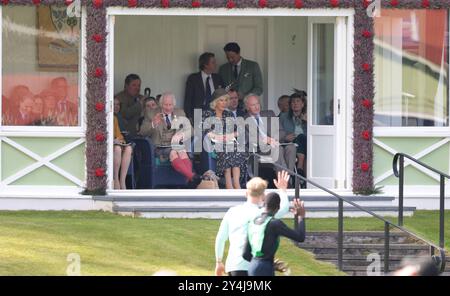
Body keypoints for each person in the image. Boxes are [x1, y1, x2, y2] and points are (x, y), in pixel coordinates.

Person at [215, 171, 291, 276]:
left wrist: (219, 262)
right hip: (255, 266)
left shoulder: (232, 211)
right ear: (263, 196)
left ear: (246, 193)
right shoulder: (263, 215)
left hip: (234, 266)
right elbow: (284, 208)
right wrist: (282, 190)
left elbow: (221, 238)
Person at [139, 92, 201, 188]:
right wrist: (153, 124)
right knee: (174, 152)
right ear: (160, 104)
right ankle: (191, 176)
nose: (168, 108)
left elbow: (191, 130)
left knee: (182, 151)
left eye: (170, 105)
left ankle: (190, 179)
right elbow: (142, 132)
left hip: (176, 145)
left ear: (174, 104)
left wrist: (182, 134)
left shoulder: (180, 112)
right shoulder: (151, 113)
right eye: (165, 105)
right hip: (158, 147)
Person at [243, 192, 306, 276]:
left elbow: (245, 254)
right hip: (265, 269)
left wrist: (263, 262)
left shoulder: (252, 222)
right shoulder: (275, 224)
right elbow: (300, 237)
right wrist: (301, 216)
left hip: (252, 267)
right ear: (278, 207)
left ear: (264, 204)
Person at [202, 88, 247, 189]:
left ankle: (236, 183)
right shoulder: (207, 114)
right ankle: (229, 184)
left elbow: (237, 131)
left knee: (236, 148)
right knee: (227, 148)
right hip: (213, 143)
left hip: (229, 142)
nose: (224, 103)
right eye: (221, 100)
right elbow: (206, 132)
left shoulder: (229, 114)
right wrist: (219, 137)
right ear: (215, 102)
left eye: (226, 100)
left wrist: (230, 136)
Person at [244, 94, 297, 178]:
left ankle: (288, 177)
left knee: (291, 147)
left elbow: (282, 132)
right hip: (260, 151)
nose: (256, 107)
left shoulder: (269, 113)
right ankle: (285, 182)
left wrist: (273, 139)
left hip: (277, 144)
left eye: (257, 104)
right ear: (247, 107)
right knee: (277, 149)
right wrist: (267, 140)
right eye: (253, 105)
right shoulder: (244, 120)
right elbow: (250, 139)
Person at [184, 52, 225, 121]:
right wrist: (189, 117)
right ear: (206, 65)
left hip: (216, 113)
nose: (216, 64)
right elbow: (188, 99)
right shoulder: (193, 78)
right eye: (213, 62)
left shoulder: (218, 78)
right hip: (198, 114)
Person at [279, 92, 307, 181]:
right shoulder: (283, 116)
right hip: (291, 142)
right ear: (290, 105)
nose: (295, 104)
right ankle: (298, 172)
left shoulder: (309, 116)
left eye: (298, 101)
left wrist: (307, 122)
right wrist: (285, 138)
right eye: (293, 102)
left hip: (306, 142)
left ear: (302, 104)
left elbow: (314, 133)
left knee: (302, 137)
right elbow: (276, 132)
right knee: (300, 138)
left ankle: (299, 167)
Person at [115, 74, 144, 138]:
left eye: (139, 85)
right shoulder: (119, 98)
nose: (137, 88)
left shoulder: (141, 98)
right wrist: (139, 104)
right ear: (126, 86)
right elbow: (124, 114)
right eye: (134, 85)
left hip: (141, 135)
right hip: (126, 136)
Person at [113, 98, 133, 190]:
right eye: (114, 104)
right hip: (108, 146)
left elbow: (119, 135)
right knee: (117, 148)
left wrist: (121, 141)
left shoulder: (116, 118)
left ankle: (122, 181)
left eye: (118, 104)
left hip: (116, 144)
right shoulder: (104, 117)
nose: (116, 106)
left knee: (128, 149)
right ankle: (115, 179)